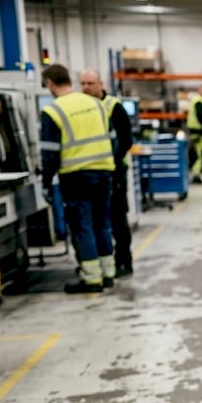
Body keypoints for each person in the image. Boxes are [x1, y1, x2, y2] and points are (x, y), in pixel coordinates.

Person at [40, 64, 117, 294]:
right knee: (102, 223)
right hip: (104, 172)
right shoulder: (95, 104)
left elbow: (50, 153)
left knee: (83, 227)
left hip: (76, 176)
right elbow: (112, 139)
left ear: (50, 84)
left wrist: (46, 182)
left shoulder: (53, 111)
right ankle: (108, 274)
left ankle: (92, 279)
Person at [79, 69, 135, 277]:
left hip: (114, 172)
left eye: (90, 83)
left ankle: (123, 261)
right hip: (89, 173)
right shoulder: (80, 110)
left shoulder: (114, 107)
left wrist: (109, 162)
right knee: (93, 221)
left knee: (118, 219)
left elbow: (126, 141)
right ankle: (99, 263)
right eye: (83, 83)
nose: (86, 88)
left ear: (101, 84)